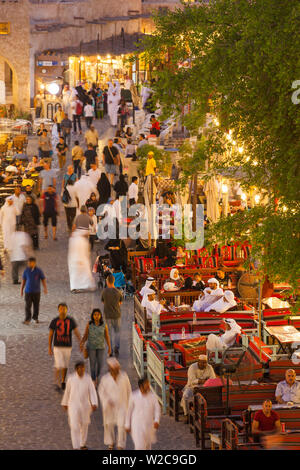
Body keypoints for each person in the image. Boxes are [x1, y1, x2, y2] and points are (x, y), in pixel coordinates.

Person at [61, 361, 98, 450]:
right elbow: (67, 392)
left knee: (84, 424)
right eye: (80, 368)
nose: (82, 370)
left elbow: (92, 391)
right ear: (76, 369)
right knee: (74, 425)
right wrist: (65, 402)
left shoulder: (88, 378)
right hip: (73, 405)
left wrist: (94, 402)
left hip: (85, 405)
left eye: (83, 368)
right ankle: (76, 446)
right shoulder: (71, 379)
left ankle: (82, 444)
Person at [98, 357, 131, 450]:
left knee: (121, 426)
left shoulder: (124, 377)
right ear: (110, 369)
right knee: (109, 425)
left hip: (122, 406)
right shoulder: (105, 379)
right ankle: (111, 442)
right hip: (109, 407)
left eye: (117, 369)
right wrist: (107, 400)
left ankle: (120, 444)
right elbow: (101, 391)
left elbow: (129, 391)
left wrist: (130, 405)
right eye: (114, 369)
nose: (117, 371)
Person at [49, 302, 82, 391]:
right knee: (58, 364)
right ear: (58, 310)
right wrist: (49, 347)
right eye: (61, 309)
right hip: (57, 346)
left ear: (67, 310)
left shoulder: (71, 320)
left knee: (65, 365)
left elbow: (76, 332)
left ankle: (63, 381)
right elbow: (51, 334)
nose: (62, 310)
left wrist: (80, 342)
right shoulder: (54, 321)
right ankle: (56, 382)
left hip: (67, 346)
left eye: (64, 309)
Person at [125, 376, 160, 450]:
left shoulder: (152, 396)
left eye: (148, 383)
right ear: (141, 386)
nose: (148, 386)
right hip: (137, 425)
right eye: (146, 384)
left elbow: (157, 408)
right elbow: (129, 410)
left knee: (147, 446)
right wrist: (127, 424)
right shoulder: (134, 396)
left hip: (149, 425)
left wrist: (156, 420)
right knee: (139, 447)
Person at [81, 309, 111, 386]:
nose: (96, 316)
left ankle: (97, 376)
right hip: (91, 347)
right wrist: (82, 342)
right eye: (95, 315)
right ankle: (93, 379)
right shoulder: (89, 324)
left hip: (101, 347)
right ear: (92, 316)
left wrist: (109, 347)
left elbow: (107, 336)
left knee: (100, 364)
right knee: (92, 364)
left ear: (100, 316)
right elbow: (86, 335)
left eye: (98, 315)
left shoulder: (104, 324)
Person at [101, 274, 123, 357]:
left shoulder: (104, 292)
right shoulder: (118, 292)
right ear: (113, 281)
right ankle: (117, 347)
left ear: (107, 281)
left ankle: (110, 350)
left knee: (108, 333)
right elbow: (120, 302)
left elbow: (103, 301)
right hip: (117, 315)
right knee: (117, 332)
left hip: (107, 315)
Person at [68, 228, 96, 293]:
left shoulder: (75, 239)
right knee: (80, 274)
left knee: (79, 274)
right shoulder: (80, 241)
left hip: (76, 260)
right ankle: (76, 287)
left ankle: (78, 286)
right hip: (79, 259)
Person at [21, 257, 47, 324]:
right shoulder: (26, 270)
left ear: (34, 263)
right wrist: (21, 290)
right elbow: (23, 281)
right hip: (28, 292)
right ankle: (27, 319)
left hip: (36, 292)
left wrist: (45, 288)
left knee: (36, 305)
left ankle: (35, 318)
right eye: (28, 263)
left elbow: (43, 279)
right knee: (27, 306)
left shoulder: (39, 270)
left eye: (30, 262)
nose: (29, 264)